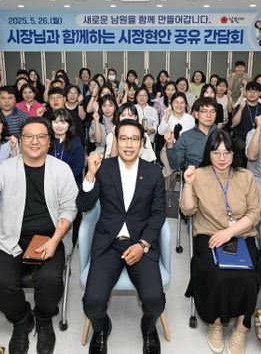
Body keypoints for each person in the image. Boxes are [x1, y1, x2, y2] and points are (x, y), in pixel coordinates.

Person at [0, 118, 79, 354]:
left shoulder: (61, 169)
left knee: (50, 280)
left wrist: (55, 241)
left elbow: (69, 208)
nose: (34, 141)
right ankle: (22, 319)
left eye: (41, 136)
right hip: (11, 238)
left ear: (49, 141)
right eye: (28, 136)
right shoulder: (5, 168)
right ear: (20, 140)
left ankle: (43, 318)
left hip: (49, 237)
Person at [78, 119, 166, 354]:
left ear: (142, 142)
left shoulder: (153, 172)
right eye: (124, 138)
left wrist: (143, 244)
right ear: (115, 141)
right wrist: (90, 175)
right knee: (92, 302)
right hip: (109, 242)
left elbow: (158, 214)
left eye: (134, 139)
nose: (128, 144)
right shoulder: (103, 168)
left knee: (155, 299)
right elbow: (83, 205)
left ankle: (148, 328)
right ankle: (101, 328)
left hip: (140, 243)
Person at [180, 129, 261, 354]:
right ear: (209, 153)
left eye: (227, 153)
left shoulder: (245, 176)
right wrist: (188, 184)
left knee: (249, 276)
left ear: (234, 154)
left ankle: (241, 327)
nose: (222, 158)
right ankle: (215, 322)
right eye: (216, 153)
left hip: (241, 234)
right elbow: (187, 210)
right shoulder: (199, 174)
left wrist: (230, 232)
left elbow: (255, 213)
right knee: (216, 274)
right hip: (208, 234)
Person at [166, 97, 218, 170]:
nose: (209, 115)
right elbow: (175, 164)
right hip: (195, 174)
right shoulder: (186, 136)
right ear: (196, 115)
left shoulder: (222, 135)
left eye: (212, 112)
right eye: (204, 111)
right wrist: (170, 145)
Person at [231, 81, 261, 168]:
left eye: (255, 91)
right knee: (242, 150)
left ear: (259, 93)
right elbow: (234, 124)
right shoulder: (240, 106)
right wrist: (241, 109)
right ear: (245, 92)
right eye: (249, 91)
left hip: (258, 138)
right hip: (241, 138)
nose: (252, 94)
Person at [48, 109, 85, 182]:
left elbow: (78, 166)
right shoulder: (46, 140)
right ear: (51, 123)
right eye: (56, 122)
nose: (59, 126)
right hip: (48, 181)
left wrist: (64, 180)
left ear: (69, 124)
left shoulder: (75, 141)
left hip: (70, 181)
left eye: (63, 123)